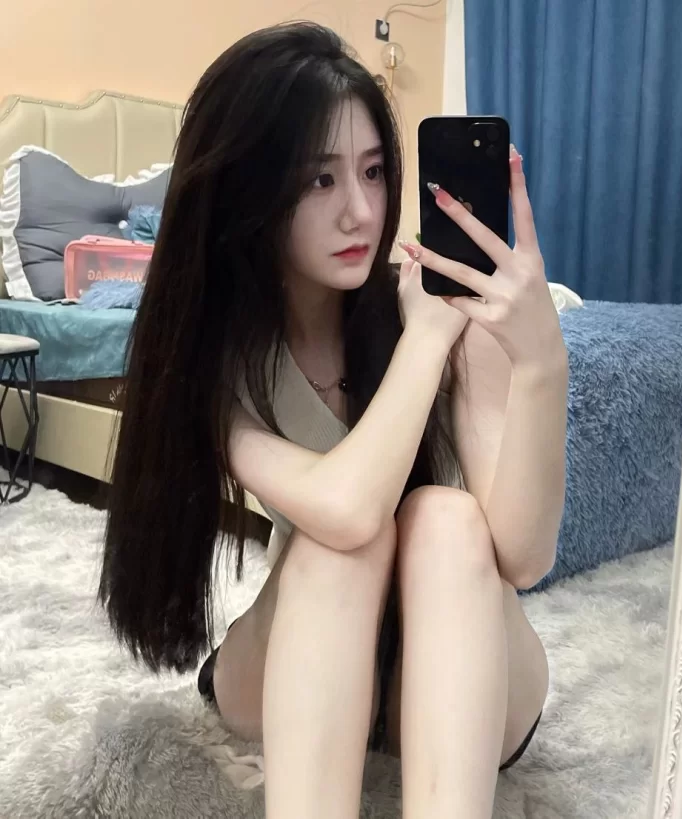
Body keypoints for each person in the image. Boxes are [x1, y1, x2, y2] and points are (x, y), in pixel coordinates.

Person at [98, 21, 568, 819]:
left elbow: (522, 556)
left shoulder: (445, 311)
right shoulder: (226, 363)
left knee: (447, 520)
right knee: (338, 538)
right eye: (320, 180)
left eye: (375, 171)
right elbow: (349, 509)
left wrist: (540, 361)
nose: (361, 211)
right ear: (250, 193)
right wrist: (424, 343)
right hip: (313, 648)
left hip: (459, 659)